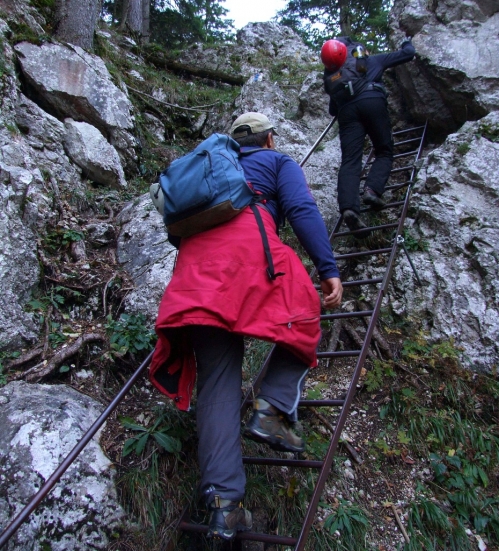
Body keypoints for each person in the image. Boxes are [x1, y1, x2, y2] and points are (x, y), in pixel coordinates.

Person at [148, 112, 343, 541]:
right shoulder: (276, 162)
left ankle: (224, 506)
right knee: (306, 309)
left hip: (196, 275)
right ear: (269, 138)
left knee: (217, 381)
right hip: (249, 258)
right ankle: (272, 408)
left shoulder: (208, 171)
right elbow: (301, 208)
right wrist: (327, 268)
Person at [322, 36, 416, 238]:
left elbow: (332, 110)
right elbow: (408, 54)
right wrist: (406, 41)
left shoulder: (332, 75)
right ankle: (372, 190)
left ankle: (349, 208)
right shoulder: (366, 60)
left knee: (350, 161)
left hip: (347, 113)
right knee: (383, 149)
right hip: (372, 100)